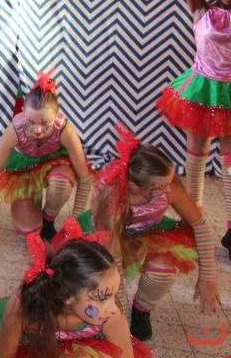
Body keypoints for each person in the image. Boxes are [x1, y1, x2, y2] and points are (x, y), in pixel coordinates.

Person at [55, 125, 221, 341]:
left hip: (151, 232)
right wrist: (119, 320)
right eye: (161, 187)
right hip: (105, 240)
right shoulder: (112, 201)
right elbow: (113, 266)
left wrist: (208, 277)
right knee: (98, 281)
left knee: (163, 270)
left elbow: (199, 225)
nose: (168, 190)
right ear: (134, 186)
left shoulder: (169, 186)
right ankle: (117, 316)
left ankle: (142, 311)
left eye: (169, 182)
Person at [156, 0, 231, 259]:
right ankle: (193, 223)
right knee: (197, 160)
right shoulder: (203, 10)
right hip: (201, 87)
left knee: (230, 166)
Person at [0, 234, 151, 358]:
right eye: (102, 298)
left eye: (114, 295)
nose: (112, 307)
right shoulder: (23, 306)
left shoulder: (111, 316)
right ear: (67, 295)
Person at [0, 73, 93, 240]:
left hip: (55, 167)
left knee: (62, 182)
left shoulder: (64, 129)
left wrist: (75, 223)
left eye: (45, 124)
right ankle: (34, 216)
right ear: (23, 113)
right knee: (30, 231)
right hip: (23, 172)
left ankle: (48, 219)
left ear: (56, 116)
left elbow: (85, 179)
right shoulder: (15, 130)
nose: (38, 130)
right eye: (31, 122)